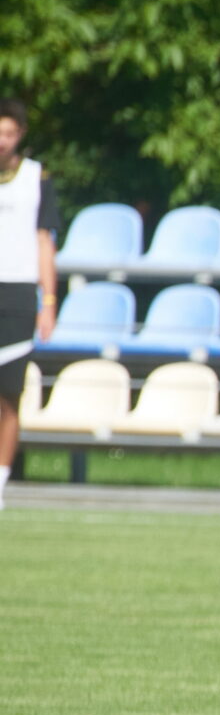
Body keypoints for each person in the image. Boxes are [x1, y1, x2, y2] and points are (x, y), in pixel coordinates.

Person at [0, 98, 61, 508]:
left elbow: (44, 241)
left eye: (7, 133)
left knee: (7, 393)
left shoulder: (37, 179)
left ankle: (1, 480)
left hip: (18, 291)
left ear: (19, 135)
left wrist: (49, 300)